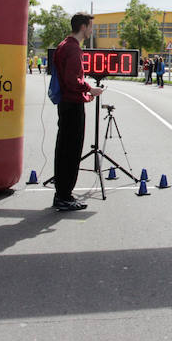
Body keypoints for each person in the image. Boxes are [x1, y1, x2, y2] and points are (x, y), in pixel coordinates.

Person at [52, 12, 104, 211]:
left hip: (67, 103)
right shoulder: (73, 49)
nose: (92, 30)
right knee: (71, 152)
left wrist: (84, 94)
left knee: (64, 149)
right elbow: (73, 80)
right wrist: (90, 90)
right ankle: (64, 196)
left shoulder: (64, 44)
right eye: (91, 26)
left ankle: (63, 193)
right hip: (72, 106)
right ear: (83, 27)